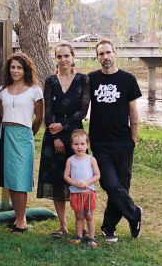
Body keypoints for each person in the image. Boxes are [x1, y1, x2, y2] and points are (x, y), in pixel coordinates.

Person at [89, 39, 142, 243]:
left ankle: (108, 227)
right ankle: (134, 214)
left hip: (123, 141)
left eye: (108, 52)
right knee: (110, 183)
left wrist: (133, 139)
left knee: (122, 185)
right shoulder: (92, 79)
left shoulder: (128, 79)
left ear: (115, 53)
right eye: (101, 54)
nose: (105, 57)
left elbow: (133, 111)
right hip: (100, 142)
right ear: (97, 57)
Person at [36, 43, 90, 238]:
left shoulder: (83, 80)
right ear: (55, 59)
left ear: (72, 56)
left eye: (66, 56)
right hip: (54, 140)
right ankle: (63, 225)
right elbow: (48, 111)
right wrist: (56, 136)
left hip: (77, 138)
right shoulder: (50, 81)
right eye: (59, 56)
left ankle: (81, 224)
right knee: (58, 181)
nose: (63, 60)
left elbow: (83, 111)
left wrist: (64, 126)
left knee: (79, 180)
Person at [0, 52, 44, 234]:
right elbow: (2, 115)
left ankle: (21, 221)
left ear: (26, 69)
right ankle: (18, 218)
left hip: (23, 136)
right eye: (12, 67)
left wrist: (28, 134)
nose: (15, 70)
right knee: (10, 179)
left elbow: (39, 118)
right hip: (6, 135)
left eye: (19, 67)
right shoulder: (2, 91)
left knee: (21, 179)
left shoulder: (35, 91)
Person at [64, 129, 100, 248]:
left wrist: (87, 182)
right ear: (71, 145)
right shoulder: (70, 160)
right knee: (79, 216)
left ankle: (91, 237)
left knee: (89, 216)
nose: (79, 147)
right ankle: (79, 235)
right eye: (76, 144)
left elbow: (97, 175)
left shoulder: (91, 159)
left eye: (82, 144)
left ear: (87, 145)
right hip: (76, 193)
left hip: (89, 193)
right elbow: (66, 176)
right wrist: (74, 183)